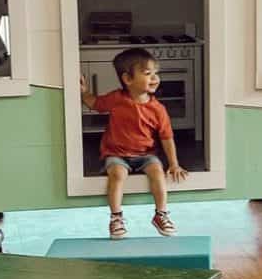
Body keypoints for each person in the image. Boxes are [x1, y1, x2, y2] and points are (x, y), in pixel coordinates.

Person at [80, 47, 187, 238]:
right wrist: (83, 92)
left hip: (146, 155)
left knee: (157, 173)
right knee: (117, 175)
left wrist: (174, 164)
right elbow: (94, 103)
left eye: (156, 73)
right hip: (117, 154)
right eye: (147, 73)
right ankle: (116, 217)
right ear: (128, 79)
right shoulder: (116, 99)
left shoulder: (158, 109)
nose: (155, 78)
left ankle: (161, 214)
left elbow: (166, 137)